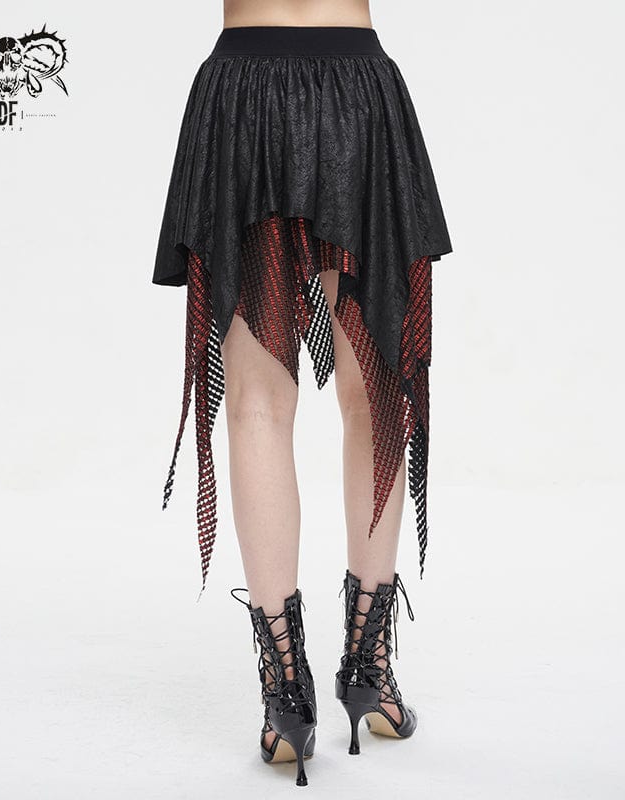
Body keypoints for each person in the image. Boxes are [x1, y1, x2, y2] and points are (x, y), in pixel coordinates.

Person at [152, 1, 452, 786]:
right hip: (359, 94)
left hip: (241, 93)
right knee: (375, 395)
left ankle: (286, 691)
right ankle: (368, 668)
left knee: (255, 405)